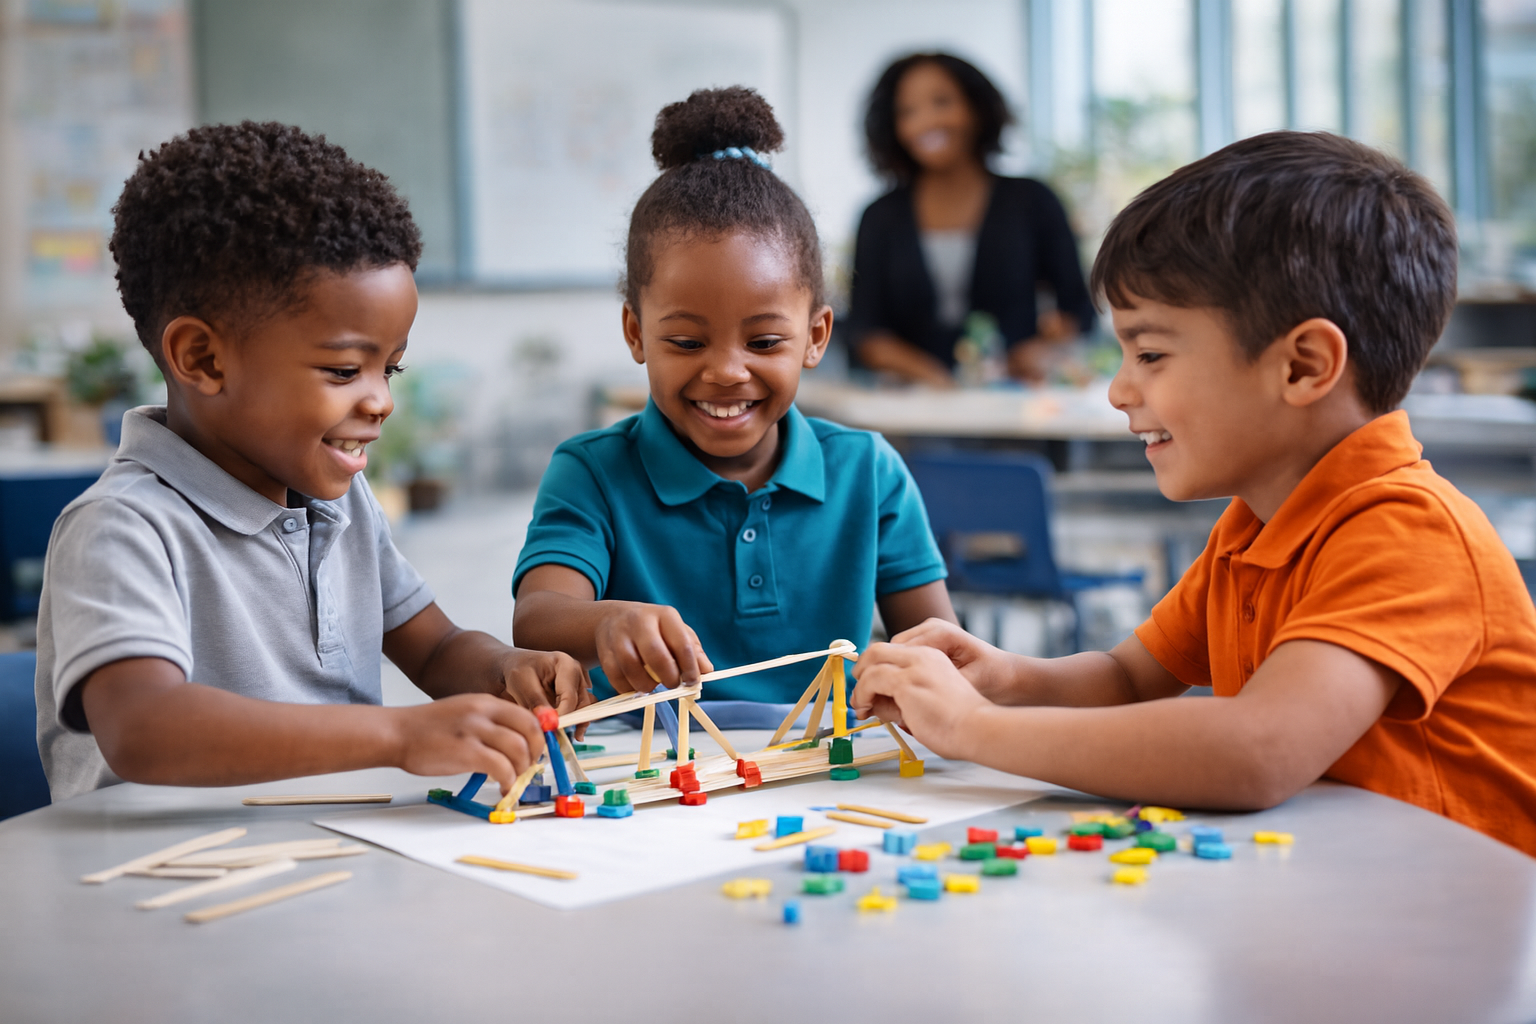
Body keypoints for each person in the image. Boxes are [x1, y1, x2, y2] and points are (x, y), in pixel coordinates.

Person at [851, 131, 1536, 856]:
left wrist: (975, 729)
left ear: (1303, 367)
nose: (1118, 390)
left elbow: (1259, 748)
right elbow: (1126, 676)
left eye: (1150, 354)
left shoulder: (1407, 532)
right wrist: (1005, 677)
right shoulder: (1251, 528)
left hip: (1461, 918)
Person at [36, 122, 588, 802]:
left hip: (332, 862)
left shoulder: (340, 503)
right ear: (203, 359)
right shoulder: (122, 528)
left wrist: (507, 668)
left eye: (391, 368)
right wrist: (398, 736)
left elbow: (437, 648)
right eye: (344, 370)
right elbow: (142, 726)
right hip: (160, 888)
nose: (382, 400)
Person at [513, 88, 956, 714]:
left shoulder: (868, 471)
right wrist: (604, 621)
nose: (725, 371)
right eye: (688, 340)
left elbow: (936, 648)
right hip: (649, 780)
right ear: (637, 334)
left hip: (821, 778)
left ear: (816, 336)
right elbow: (536, 616)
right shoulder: (591, 471)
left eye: (765, 340)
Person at [846, 53, 1096, 387]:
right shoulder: (879, 216)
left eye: (942, 102)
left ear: (977, 108)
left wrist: (1045, 350)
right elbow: (864, 330)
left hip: (1017, 403)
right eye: (907, 112)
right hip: (911, 407)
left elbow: (1077, 310)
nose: (926, 122)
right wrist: (933, 380)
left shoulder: (1033, 201)